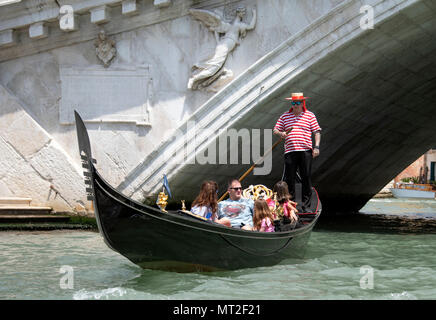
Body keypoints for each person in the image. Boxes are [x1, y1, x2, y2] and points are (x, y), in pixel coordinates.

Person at [187, 6, 257, 90]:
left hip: (223, 47)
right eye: (243, 12)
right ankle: (194, 78)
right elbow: (251, 26)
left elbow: (217, 30)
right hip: (224, 48)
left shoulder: (228, 26)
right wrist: (254, 14)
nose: (244, 14)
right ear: (239, 14)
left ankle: (203, 82)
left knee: (217, 69)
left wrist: (218, 40)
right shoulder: (238, 25)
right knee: (213, 68)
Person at [273, 92, 321, 210]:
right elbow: (276, 129)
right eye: (293, 102)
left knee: (306, 177)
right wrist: (281, 133)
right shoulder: (285, 116)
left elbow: (317, 132)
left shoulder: (310, 115)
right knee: (290, 178)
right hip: (290, 151)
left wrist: (317, 147)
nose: (295, 105)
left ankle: (306, 205)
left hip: (305, 151)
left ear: (302, 103)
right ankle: (292, 204)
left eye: (298, 102)